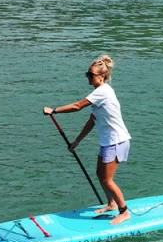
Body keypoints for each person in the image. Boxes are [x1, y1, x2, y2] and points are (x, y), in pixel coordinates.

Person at [43, 55, 131, 225]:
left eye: (91, 75)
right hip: (107, 142)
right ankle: (112, 204)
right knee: (100, 174)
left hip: (117, 141)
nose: (88, 77)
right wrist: (77, 141)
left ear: (101, 77)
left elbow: (77, 106)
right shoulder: (98, 94)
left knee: (107, 179)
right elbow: (92, 120)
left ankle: (124, 211)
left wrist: (54, 110)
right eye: (87, 74)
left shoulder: (103, 92)